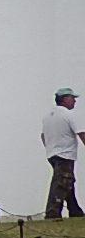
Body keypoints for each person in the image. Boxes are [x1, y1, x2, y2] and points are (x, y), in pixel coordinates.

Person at [41, 87, 85, 220]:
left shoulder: (48, 116)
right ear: (65, 99)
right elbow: (81, 133)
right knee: (61, 183)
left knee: (67, 182)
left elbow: (43, 136)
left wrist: (50, 148)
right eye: (73, 99)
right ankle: (52, 213)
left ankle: (75, 210)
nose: (74, 102)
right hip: (65, 154)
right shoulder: (68, 114)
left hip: (52, 154)